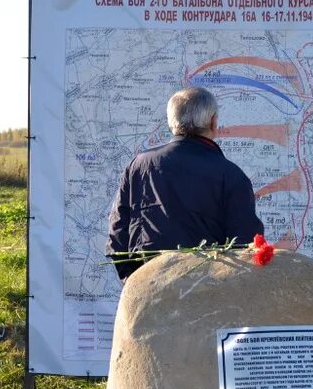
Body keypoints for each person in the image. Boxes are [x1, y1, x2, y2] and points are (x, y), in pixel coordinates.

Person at [106, 86, 264, 281]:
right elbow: (246, 245)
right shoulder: (231, 175)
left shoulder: (139, 166)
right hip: (205, 293)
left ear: (172, 122)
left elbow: (118, 230)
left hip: (147, 287)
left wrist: (133, 281)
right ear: (213, 121)